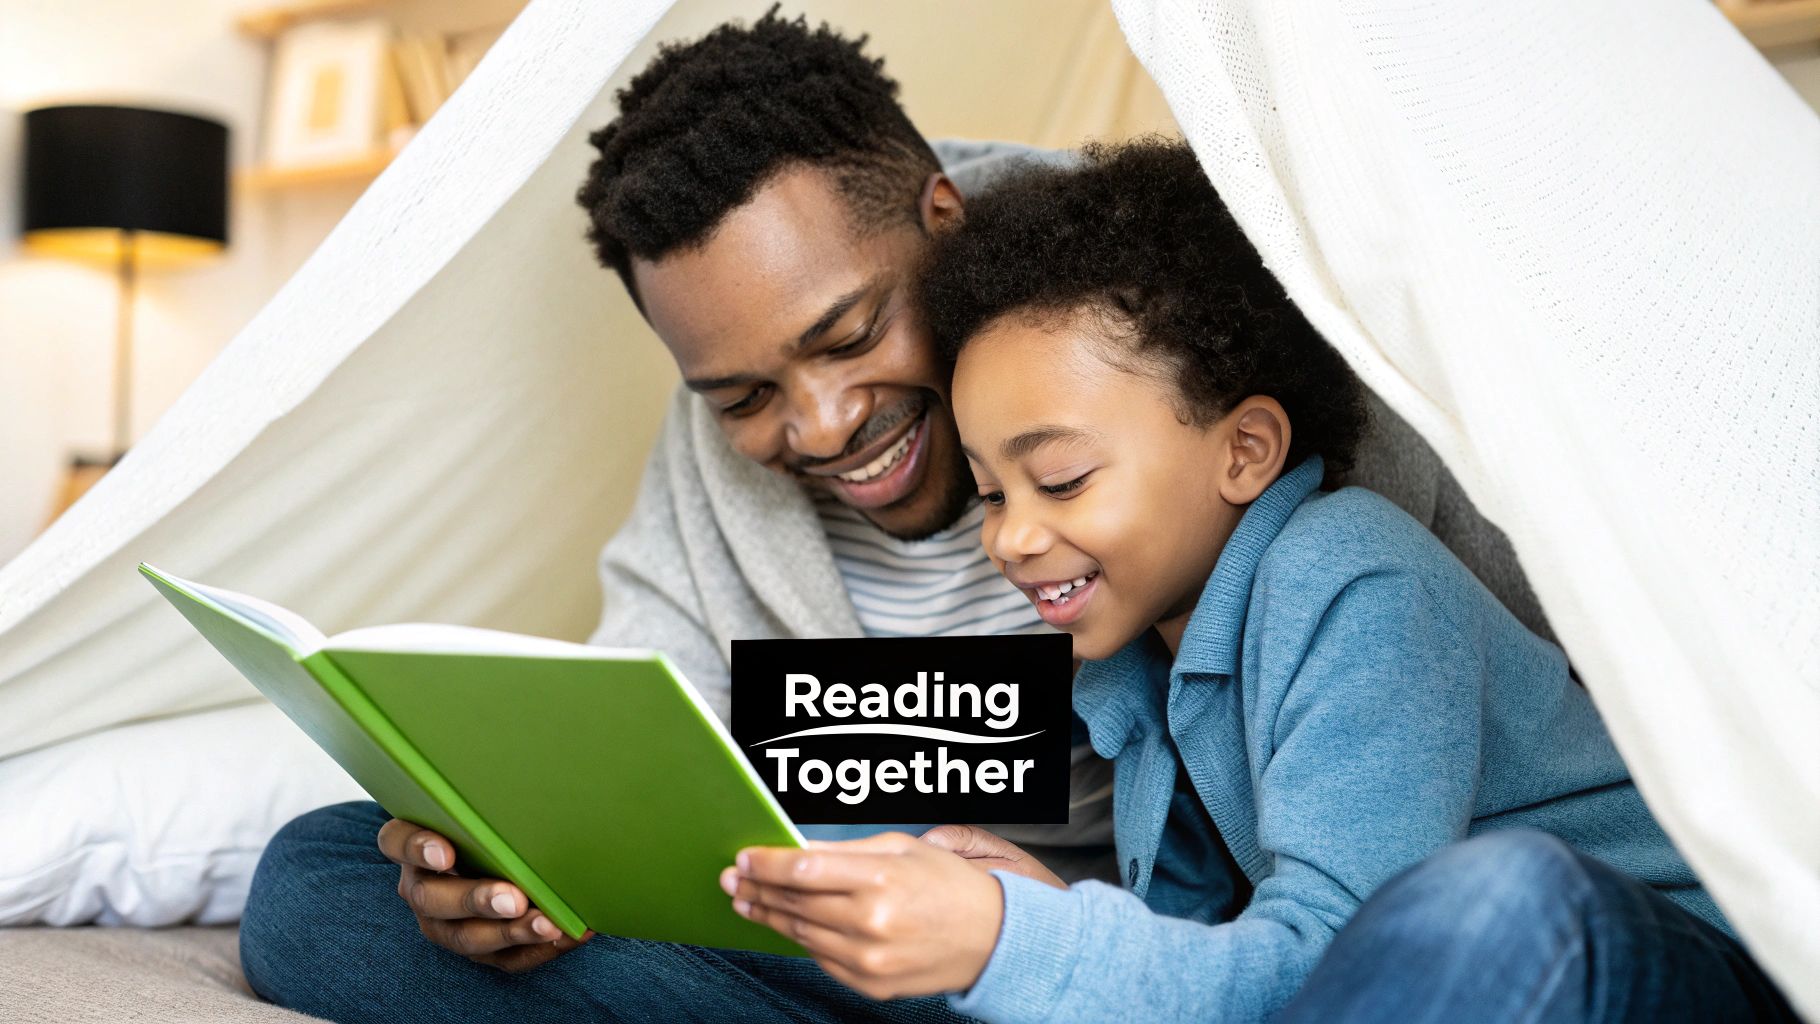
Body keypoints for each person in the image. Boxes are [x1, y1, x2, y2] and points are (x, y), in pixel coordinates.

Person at [240, 12, 1570, 1023]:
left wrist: (1019, 927)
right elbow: (659, 764)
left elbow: (1396, 771)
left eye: (850, 333)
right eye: (746, 392)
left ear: (947, 219)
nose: (817, 428)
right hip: (871, 914)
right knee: (321, 880)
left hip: (1145, 928)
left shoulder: (1159, 324)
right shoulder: (720, 458)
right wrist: (524, 863)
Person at [717, 139, 1800, 1023]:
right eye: (993, 495)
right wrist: (1042, 909)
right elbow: (1227, 967)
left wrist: (1015, 940)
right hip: (1396, 979)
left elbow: (1325, 958)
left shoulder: (1352, 576)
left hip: (1639, 962)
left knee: (1494, 898)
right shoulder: (1136, 673)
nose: (1010, 537)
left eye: (1058, 478)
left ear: (1243, 452)